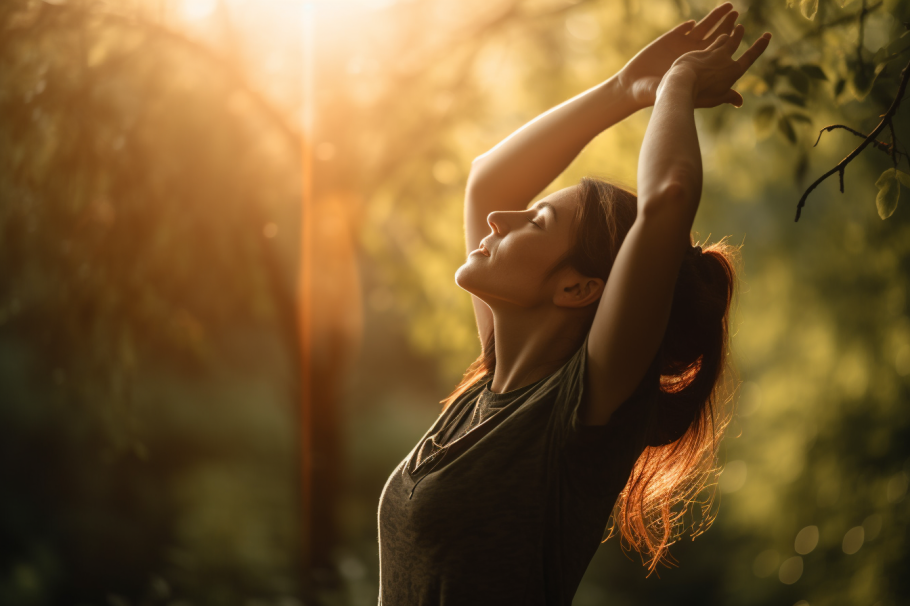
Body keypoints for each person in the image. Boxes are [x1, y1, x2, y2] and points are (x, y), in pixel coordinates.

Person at [377, 4, 772, 604]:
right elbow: (487, 180)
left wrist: (678, 84)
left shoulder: (580, 409)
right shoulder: (494, 381)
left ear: (578, 289)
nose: (497, 219)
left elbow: (668, 197)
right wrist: (623, 90)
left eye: (535, 223)